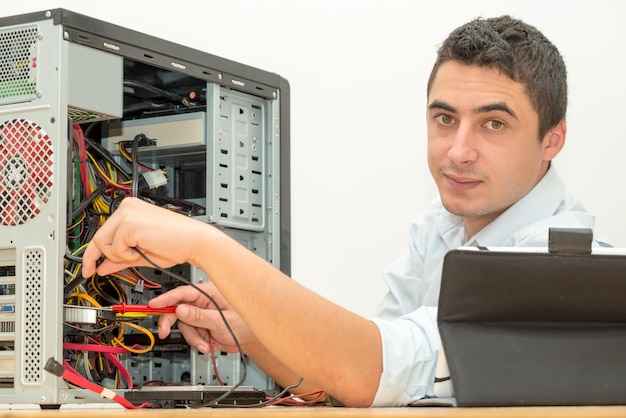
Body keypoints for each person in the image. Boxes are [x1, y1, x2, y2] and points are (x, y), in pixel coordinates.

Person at [81, 15, 611, 407]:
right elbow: (362, 385)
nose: (458, 150)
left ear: (553, 139)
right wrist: (253, 335)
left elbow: (372, 369)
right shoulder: (443, 226)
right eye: (445, 118)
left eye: (494, 124)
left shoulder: (559, 264)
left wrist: (206, 243)